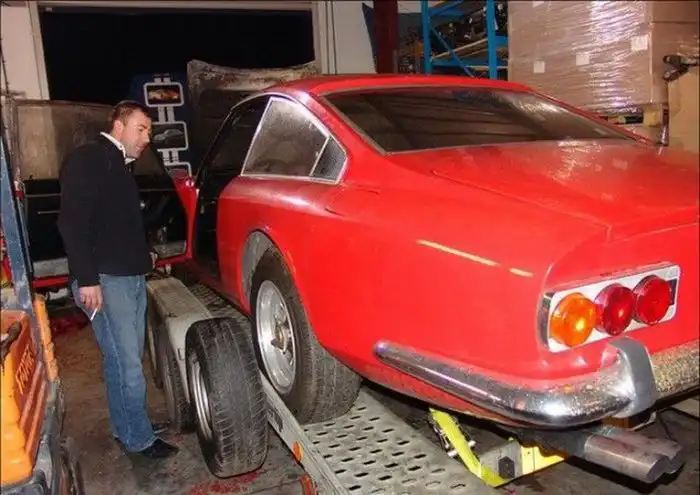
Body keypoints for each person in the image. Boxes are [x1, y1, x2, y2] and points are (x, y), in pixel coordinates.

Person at [57, 100, 179, 459]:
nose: (147, 138)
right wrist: (87, 279)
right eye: (141, 129)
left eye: (149, 131)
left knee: (119, 360)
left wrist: (145, 256)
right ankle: (139, 438)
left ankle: (126, 425)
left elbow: (118, 226)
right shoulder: (90, 158)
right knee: (128, 364)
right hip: (106, 281)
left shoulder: (118, 164)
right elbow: (72, 222)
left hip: (127, 276)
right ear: (118, 125)